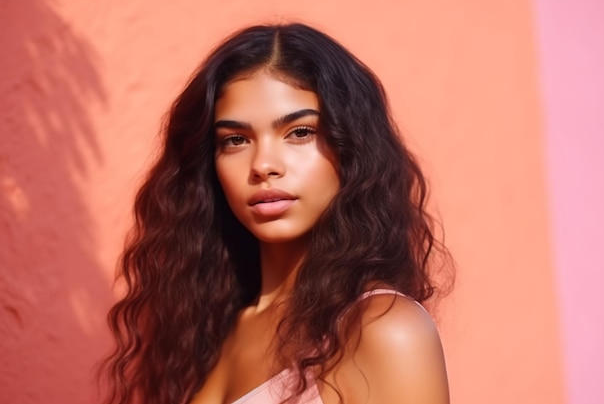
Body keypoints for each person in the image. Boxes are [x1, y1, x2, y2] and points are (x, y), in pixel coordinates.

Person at [101, 22, 452, 404]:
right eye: (235, 140)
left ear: (352, 148)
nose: (264, 164)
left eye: (300, 132)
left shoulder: (382, 329)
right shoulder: (205, 328)